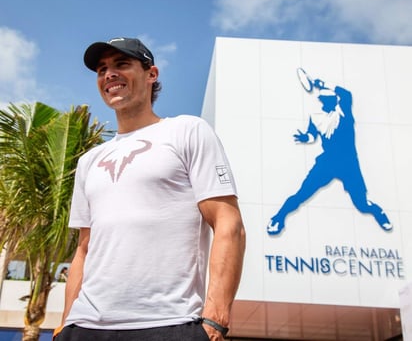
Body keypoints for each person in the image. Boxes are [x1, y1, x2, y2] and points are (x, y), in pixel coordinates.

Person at [53, 37, 246, 341]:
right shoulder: (90, 160)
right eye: (102, 69)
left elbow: (228, 223)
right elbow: (84, 248)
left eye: (121, 64)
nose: (109, 75)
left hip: (170, 322)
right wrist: (65, 324)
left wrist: (216, 317)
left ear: (151, 74)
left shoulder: (187, 131)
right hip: (86, 327)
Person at [267, 73, 392, 235]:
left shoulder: (343, 113)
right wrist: (305, 137)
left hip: (348, 163)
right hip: (327, 162)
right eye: (323, 100)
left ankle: (378, 213)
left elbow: (346, 94)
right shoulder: (316, 118)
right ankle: (278, 219)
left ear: (334, 100)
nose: (325, 102)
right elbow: (312, 135)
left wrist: (320, 83)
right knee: (302, 194)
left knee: (362, 204)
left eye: (329, 99)